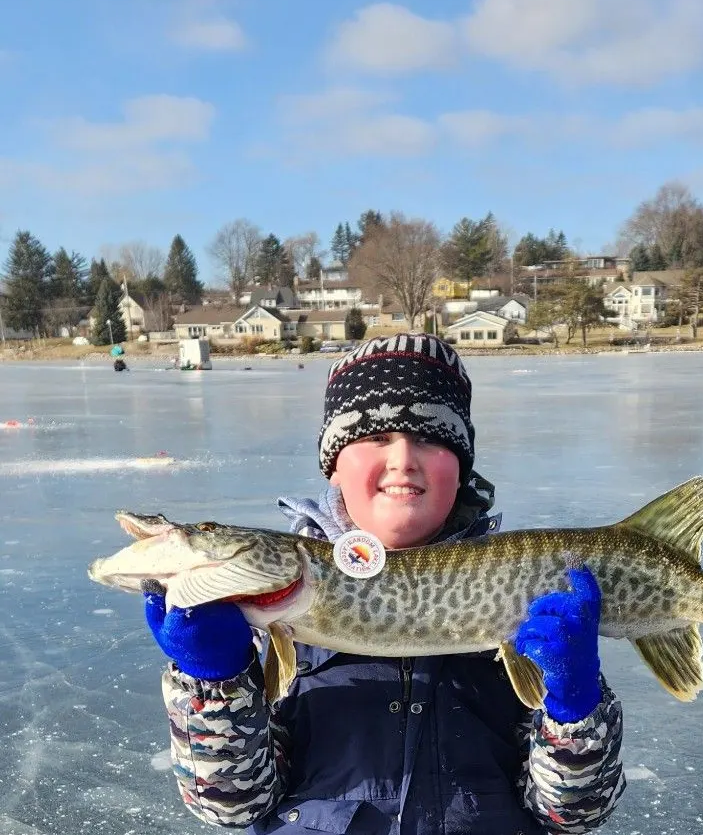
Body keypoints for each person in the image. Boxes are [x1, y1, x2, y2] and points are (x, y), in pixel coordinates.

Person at [144, 334, 626, 833]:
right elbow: (233, 805)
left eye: (431, 437)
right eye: (375, 438)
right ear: (333, 465)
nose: (402, 459)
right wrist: (214, 681)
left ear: (460, 469)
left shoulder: (523, 592)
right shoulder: (276, 609)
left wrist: (575, 708)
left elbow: (571, 815)